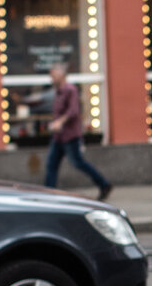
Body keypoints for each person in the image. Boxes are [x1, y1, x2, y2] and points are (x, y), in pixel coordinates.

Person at [44, 63, 112, 200]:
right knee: (51, 164)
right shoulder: (58, 92)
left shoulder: (70, 90)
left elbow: (73, 111)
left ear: (61, 75)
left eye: (53, 76)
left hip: (70, 136)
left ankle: (104, 184)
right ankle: (48, 194)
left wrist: (60, 122)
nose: (51, 79)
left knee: (78, 163)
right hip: (59, 137)